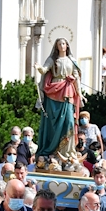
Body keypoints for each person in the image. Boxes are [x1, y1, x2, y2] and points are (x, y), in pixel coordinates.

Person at [35, 38, 83, 170]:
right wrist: (38, 67)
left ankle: (66, 152)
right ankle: (51, 151)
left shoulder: (72, 60)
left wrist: (79, 93)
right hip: (54, 92)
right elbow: (44, 70)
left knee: (69, 122)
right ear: (56, 47)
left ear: (67, 46)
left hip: (67, 91)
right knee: (52, 123)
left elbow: (76, 78)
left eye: (64, 44)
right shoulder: (52, 59)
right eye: (59, 44)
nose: (62, 46)